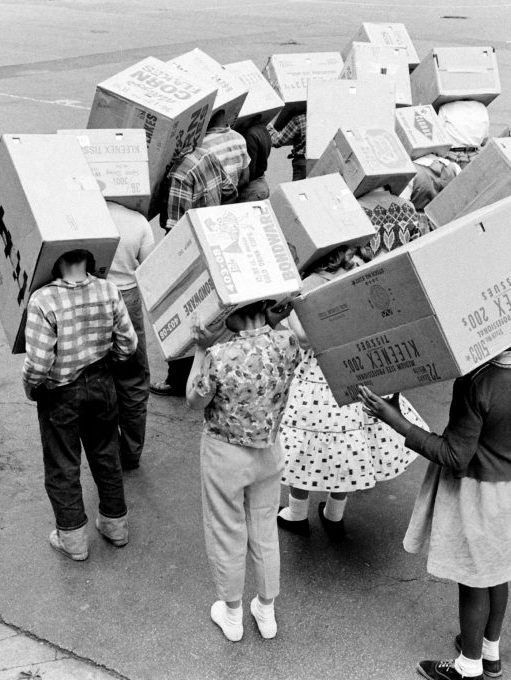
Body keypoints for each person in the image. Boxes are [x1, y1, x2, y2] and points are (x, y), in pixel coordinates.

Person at [360, 341, 511, 680]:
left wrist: (397, 421)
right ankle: (489, 651)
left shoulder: (476, 382)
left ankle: (469, 666)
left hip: (478, 494)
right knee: (499, 571)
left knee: (473, 579)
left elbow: (454, 455)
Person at [276, 246, 426, 539]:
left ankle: (296, 514)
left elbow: (304, 337)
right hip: (358, 369)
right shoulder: (360, 270)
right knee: (351, 443)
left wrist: (292, 308)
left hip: (318, 377)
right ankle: (334, 513)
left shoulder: (307, 284)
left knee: (305, 442)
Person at [185, 300, 304, 642]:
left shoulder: (219, 356)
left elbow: (194, 400)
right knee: (264, 529)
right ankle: (266, 611)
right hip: (269, 450)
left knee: (227, 529)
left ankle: (232, 614)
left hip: (225, 454)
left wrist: (200, 350)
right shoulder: (288, 343)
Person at [22, 249, 138, 561]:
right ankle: (115, 526)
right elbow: (128, 342)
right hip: (101, 383)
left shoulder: (43, 300)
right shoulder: (107, 289)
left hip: (60, 392)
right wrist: (106, 364)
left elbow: (37, 363)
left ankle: (73, 539)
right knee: (105, 453)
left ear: (54, 258)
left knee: (63, 463)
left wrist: (32, 387)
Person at [150, 143, 234, 397]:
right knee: (210, 309)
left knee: (183, 313)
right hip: (215, 237)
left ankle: (177, 379)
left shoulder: (179, 176)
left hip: (192, 249)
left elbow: (175, 230)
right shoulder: (205, 154)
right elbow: (230, 188)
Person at [105, 204, 155, 471]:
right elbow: (149, 269)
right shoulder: (137, 221)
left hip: (93, 297)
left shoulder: (85, 215)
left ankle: (106, 451)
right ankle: (132, 452)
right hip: (128, 297)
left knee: (99, 375)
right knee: (133, 377)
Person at [200, 110, 250, 200]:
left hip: (214, 203)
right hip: (231, 198)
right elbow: (245, 178)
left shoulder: (203, 145)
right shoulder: (239, 137)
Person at [437, 100, 490, 169]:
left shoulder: (445, 107)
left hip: (453, 157)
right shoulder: (482, 107)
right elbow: (484, 141)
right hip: (475, 156)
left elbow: (438, 137)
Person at [235, 119, 271, 202]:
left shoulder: (250, 134)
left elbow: (251, 170)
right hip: (262, 184)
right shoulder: (263, 128)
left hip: (252, 189)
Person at [268, 113, 307, 181]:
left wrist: (269, 128)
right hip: (321, 160)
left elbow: (277, 141)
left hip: (302, 163)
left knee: (298, 190)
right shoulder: (327, 117)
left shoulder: (299, 119)